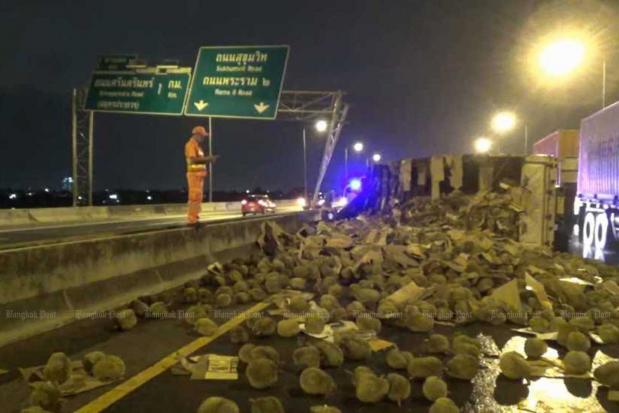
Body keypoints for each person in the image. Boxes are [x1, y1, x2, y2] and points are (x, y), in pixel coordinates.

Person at [185, 126, 216, 225]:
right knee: (194, 197)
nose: (203, 138)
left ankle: (195, 217)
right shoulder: (190, 145)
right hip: (194, 175)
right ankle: (192, 219)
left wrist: (207, 160)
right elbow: (192, 160)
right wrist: (208, 159)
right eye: (203, 136)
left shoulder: (198, 147)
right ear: (197, 135)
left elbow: (199, 160)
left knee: (198, 197)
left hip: (199, 176)